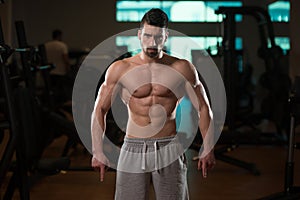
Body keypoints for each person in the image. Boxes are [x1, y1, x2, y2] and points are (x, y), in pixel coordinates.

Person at [91, 8, 216, 200]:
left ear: (166, 37)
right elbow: (100, 108)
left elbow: (203, 108)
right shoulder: (120, 69)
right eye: (147, 36)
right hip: (133, 146)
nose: (152, 43)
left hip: (169, 147)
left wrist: (208, 147)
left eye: (158, 37)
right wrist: (97, 150)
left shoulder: (182, 68)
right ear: (139, 35)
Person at [45, 29, 71, 105]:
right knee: (60, 90)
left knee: (50, 89)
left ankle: (51, 103)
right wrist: (68, 69)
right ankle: (60, 104)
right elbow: (65, 59)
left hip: (49, 72)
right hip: (60, 72)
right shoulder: (62, 46)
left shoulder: (46, 46)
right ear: (59, 36)